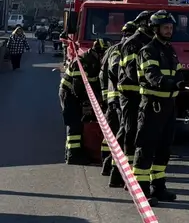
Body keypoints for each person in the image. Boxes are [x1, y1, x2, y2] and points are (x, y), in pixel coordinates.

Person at [131, 10, 184, 203]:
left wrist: (179, 82)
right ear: (156, 28)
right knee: (145, 148)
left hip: (169, 106)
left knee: (164, 149)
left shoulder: (170, 50)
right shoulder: (148, 51)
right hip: (152, 106)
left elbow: (178, 73)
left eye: (170, 27)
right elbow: (152, 76)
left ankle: (158, 188)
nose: (169, 31)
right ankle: (141, 192)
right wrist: (170, 83)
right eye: (165, 27)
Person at [112, 10, 153, 188]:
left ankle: (127, 175)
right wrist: (154, 81)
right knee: (129, 133)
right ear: (143, 23)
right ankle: (122, 175)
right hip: (131, 95)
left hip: (143, 96)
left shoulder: (150, 42)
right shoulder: (133, 43)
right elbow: (131, 73)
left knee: (139, 134)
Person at [59, 36, 108, 165]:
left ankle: (78, 152)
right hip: (69, 94)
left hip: (79, 94)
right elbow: (78, 87)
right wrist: (86, 103)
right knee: (74, 123)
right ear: (97, 52)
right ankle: (73, 156)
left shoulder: (96, 62)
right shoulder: (82, 62)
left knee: (81, 124)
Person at [99, 21, 138, 178]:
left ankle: (110, 165)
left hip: (116, 97)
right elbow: (115, 70)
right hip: (118, 98)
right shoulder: (119, 49)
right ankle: (111, 165)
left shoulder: (116, 48)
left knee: (118, 132)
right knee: (122, 132)